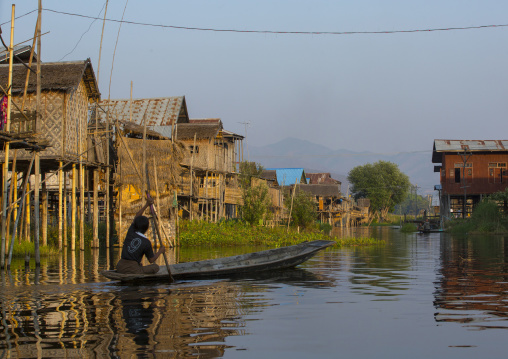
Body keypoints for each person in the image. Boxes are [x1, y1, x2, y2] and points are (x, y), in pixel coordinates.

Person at [116, 198, 165, 274]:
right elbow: (151, 260)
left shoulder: (131, 232)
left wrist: (146, 205)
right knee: (155, 267)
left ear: (135, 225)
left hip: (119, 266)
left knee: (139, 264)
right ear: (146, 228)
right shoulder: (146, 242)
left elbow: (137, 216)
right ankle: (137, 268)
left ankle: (137, 266)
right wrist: (160, 251)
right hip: (132, 269)